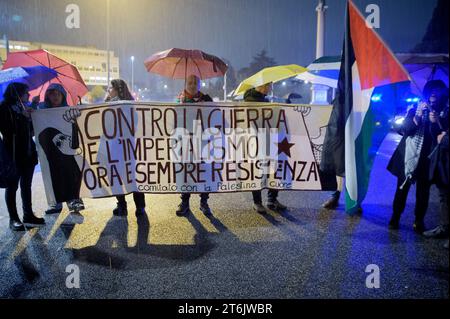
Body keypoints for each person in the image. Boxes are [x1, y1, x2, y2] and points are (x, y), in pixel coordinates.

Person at [387, 80, 449, 234]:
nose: (434, 93)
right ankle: (395, 217)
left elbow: (441, 138)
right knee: (401, 189)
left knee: (423, 192)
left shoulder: (444, 112)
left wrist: (436, 122)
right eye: (431, 90)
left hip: (428, 159)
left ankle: (418, 221)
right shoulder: (415, 109)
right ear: (426, 92)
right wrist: (418, 115)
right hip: (407, 157)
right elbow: (405, 129)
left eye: (437, 90)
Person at [32, 83, 85, 214]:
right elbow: (34, 128)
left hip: (67, 153)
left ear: (62, 95)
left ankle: (74, 201)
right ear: (47, 96)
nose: (55, 96)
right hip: (51, 151)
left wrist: (81, 112)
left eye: (57, 94)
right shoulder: (40, 110)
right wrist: (33, 106)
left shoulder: (67, 110)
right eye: (51, 94)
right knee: (53, 174)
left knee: (70, 173)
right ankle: (56, 203)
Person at [0, 83, 45, 231]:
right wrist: (22, 116)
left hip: (28, 153)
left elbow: (31, 131)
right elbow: (7, 129)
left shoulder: (24, 106)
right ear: (17, 93)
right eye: (27, 93)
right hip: (12, 154)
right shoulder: (4, 107)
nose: (29, 95)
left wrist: (32, 113)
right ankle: (13, 219)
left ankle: (28, 214)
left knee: (27, 185)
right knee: (12, 187)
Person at [243, 83, 287, 214]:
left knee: (273, 169)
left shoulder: (265, 100)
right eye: (269, 86)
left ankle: (272, 199)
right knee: (258, 170)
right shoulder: (250, 101)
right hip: (256, 140)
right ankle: (257, 202)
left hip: (269, 138)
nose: (270, 88)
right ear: (262, 86)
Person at [105, 79, 146, 217]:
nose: (108, 90)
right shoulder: (106, 105)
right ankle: (122, 205)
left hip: (126, 147)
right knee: (116, 176)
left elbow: (133, 125)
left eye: (111, 88)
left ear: (117, 89)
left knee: (132, 176)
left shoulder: (128, 105)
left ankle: (139, 206)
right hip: (113, 147)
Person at [175, 74, 213, 217]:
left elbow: (215, 116)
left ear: (199, 85)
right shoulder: (179, 99)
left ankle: (204, 202)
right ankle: (185, 202)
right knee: (186, 172)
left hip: (203, 142)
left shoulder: (207, 99)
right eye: (189, 82)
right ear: (186, 84)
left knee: (204, 172)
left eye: (195, 82)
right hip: (186, 142)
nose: (192, 85)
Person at [423, 98, 449, 248]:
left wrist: (444, 139)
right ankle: (444, 227)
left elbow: (444, 137)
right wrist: (435, 122)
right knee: (444, 195)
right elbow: (439, 134)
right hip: (443, 161)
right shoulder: (444, 109)